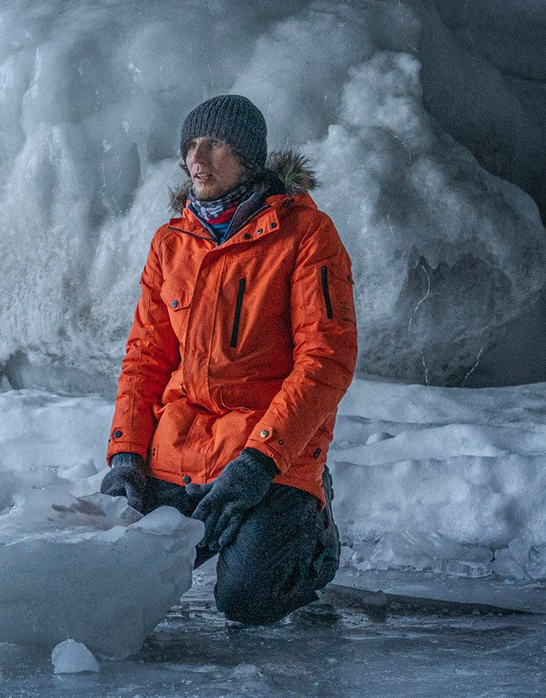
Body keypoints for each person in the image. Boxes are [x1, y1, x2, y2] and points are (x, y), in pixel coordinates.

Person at [101, 94, 357, 626]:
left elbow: (325, 359)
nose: (197, 158)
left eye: (214, 144)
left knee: (247, 599)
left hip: (269, 454)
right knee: (114, 571)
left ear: (248, 156)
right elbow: (145, 358)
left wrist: (259, 463)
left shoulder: (307, 235)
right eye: (190, 146)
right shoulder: (171, 243)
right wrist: (125, 454)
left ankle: (312, 533)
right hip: (179, 450)